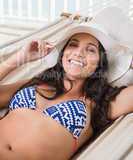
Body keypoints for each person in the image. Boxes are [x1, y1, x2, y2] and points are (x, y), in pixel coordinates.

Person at [0, 20, 133, 160]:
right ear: (62, 54)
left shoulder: (99, 104)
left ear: (100, 63)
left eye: (91, 49)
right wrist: (19, 58)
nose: (78, 53)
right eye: (73, 45)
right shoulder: (36, 83)